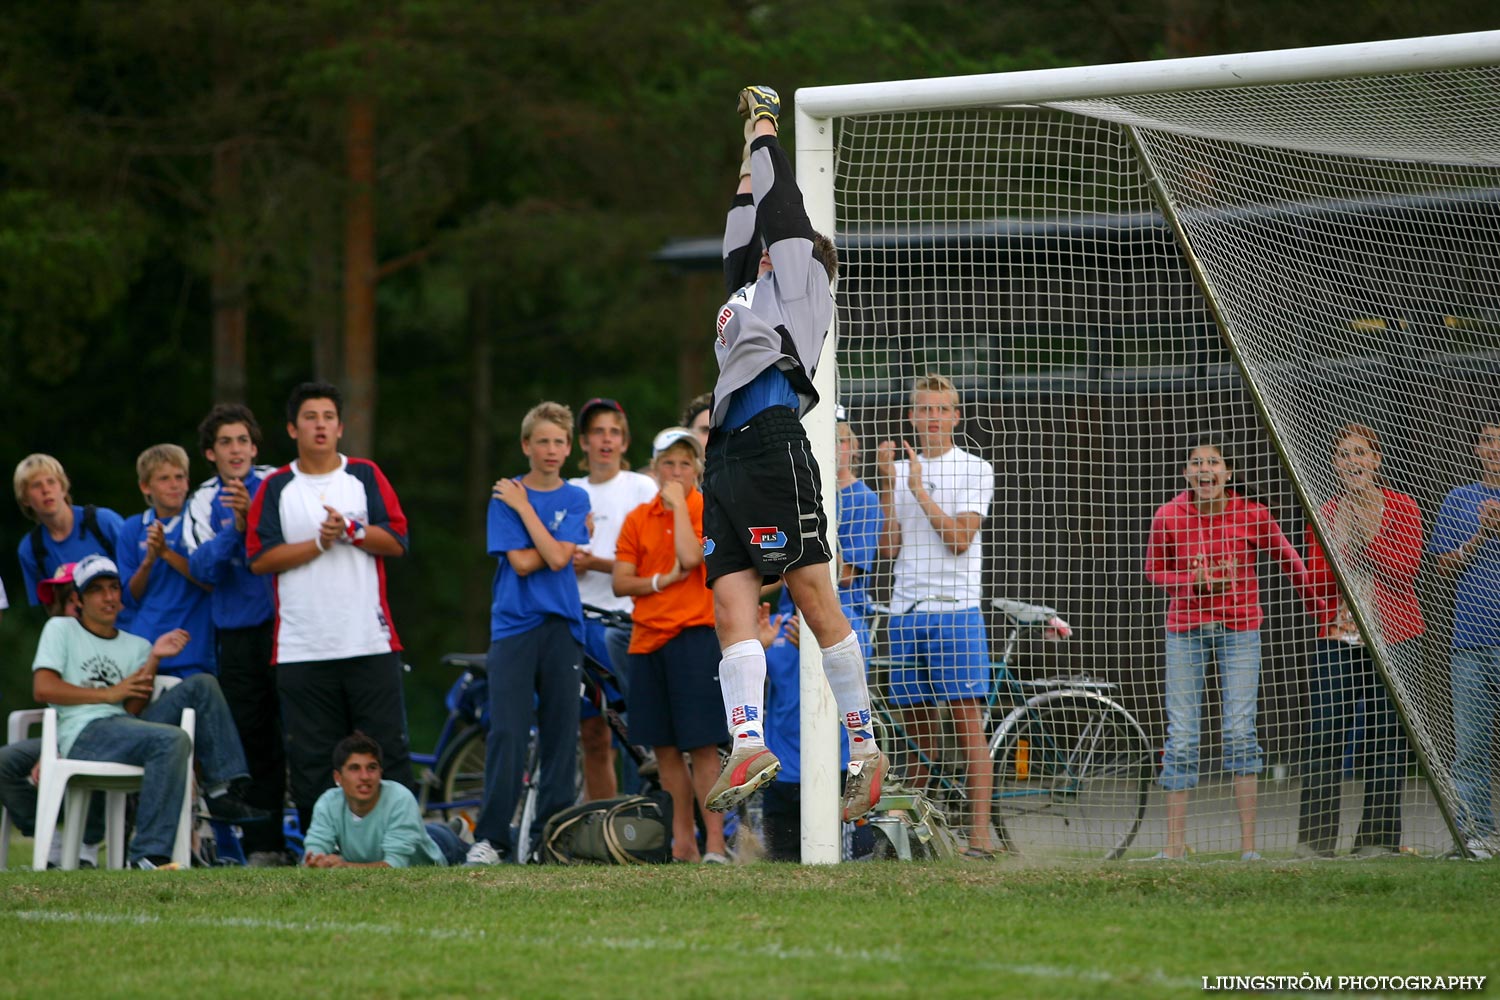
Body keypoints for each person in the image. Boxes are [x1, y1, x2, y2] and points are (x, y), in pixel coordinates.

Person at [700, 85, 885, 823]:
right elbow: (743, 222)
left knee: (812, 598)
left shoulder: (805, 279)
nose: (768, 251)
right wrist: (746, 149)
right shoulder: (751, 289)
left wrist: (765, 119)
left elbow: (778, 210)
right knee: (727, 606)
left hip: (776, 442)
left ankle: (866, 750)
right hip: (727, 456)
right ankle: (746, 742)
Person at [247, 381, 414, 836]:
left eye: (327, 418)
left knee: (387, 751)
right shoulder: (277, 486)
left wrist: (353, 531)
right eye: (309, 417)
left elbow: (397, 540)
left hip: (368, 639)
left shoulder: (364, 476)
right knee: (313, 758)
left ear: (340, 427)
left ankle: (400, 846)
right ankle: (320, 848)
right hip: (302, 647)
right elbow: (260, 558)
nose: (319, 426)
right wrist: (318, 543)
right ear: (292, 428)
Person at [1144, 438, 1322, 861]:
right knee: (1183, 737)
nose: (1204, 469)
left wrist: (1322, 606)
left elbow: (1291, 560)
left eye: (1213, 462)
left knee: (1240, 732)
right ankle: (1173, 849)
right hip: (1185, 631)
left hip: (1240, 629)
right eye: (1195, 463)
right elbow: (1153, 570)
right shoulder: (1169, 515)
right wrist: (1192, 583)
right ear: (1186, 474)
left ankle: (1248, 850)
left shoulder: (1252, 514)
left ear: (1228, 473)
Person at [31, 554, 266, 869]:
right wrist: (109, 693)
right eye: (97, 590)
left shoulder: (137, 645)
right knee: (172, 740)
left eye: (114, 588)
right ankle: (148, 855)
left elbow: (132, 710)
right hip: (83, 734)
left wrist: (154, 658)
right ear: (78, 598)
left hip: (123, 726)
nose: (109, 597)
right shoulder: (61, 629)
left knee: (202, 684)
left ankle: (222, 789)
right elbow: (43, 687)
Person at [873, 373, 998, 855]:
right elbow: (887, 549)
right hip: (907, 611)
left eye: (942, 409)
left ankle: (981, 837)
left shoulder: (975, 469)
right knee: (917, 732)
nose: (932, 418)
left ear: (956, 416)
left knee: (968, 725)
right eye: (924, 409)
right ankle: (918, 838)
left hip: (956, 610)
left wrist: (919, 490)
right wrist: (890, 487)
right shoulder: (901, 471)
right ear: (911, 416)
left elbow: (959, 539)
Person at [466, 401, 591, 866]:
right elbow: (524, 562)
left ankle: (548, 840)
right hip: (515, 628)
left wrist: (527, 511)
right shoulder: (504, 496)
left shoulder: (575, 498)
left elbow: (559, 561)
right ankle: (493, 839)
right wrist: (548, 535)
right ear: (526, 445)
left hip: (562, 628)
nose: (552, 450)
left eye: (560, 441)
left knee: (562, 735)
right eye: (543, 441)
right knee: (509, 734)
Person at [1297, 424, 1423, 858]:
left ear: (1376, 460)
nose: (1353, 462)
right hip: (1339, 638)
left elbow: (1404, 571)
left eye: (1360, 454)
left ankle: (1377, 840)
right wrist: (1339, 540)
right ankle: (1315, 842)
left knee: (1385, 738)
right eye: (1344, 455)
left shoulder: (1404, 507)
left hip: (1394, 638)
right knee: (1324, 735)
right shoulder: (1326, 511)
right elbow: (1313, 582)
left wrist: (1363, 539)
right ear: (1336, 465)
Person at [761, 415, 884, 860]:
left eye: (842, 441)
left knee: (836, 717)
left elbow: (849, 573)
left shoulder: (862, 500)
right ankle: (776, 817)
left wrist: (809, 608)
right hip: (790, 618)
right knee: (785, 709)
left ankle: (850, 825)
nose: (834, 448)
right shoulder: (791, 493)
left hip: (835, 618)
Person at [613, 427, 728, 862]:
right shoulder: (637, 518)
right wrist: (658, 581)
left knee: (702, 746)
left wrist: (680, 505)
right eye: (668, 463)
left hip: (695, 638)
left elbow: (691, 557)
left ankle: (715, 844)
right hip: (647, 642)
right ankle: (683, 843)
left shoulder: (706, 508)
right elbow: (621, 581)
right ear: (655, 468)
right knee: (663, 749)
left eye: (685, 463)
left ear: (698, 469)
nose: (676, 471)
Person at [183, 403, 288, 864]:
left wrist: (252, 528)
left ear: (255, 446)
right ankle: (266, 847)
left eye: (243, 440)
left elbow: (292, 545)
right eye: (225, 442)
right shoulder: (204, 499)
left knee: (302, 733)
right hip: (239, 635)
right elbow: (201, 566)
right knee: (254, 738)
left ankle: (320, 842)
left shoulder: (278, 482)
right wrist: (240, 530)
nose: (236, 449)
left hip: (291, 627)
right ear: (210, 453)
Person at [567, 397, 657, 800]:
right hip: (576, 620)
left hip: (626, 622)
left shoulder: (641, 487)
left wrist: (597, 563)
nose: (606, 440)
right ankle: (605, 822)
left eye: (614, 432)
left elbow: (655, 561)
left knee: (640, 731)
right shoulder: (570, 490)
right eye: (598, 432)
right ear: (583, 442)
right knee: (592, 733)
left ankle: (654, 817)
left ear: (625, 442)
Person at [0, 562, 107, 867]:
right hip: (60, 735)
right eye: (62, 598)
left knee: (93, 751)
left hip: (100, 734)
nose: (64, 606)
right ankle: (55, 843)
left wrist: (58, 747)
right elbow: (49, 699)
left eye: (72, 597)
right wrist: (52, 746)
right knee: (4, 764)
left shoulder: (110, 639)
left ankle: (86, 846)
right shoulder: (56, 638)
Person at [1431, 418, 1500, 860]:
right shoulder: (1459, 499)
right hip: (1471, 643)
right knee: (1471, 749)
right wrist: (1481, 534)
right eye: (1489, 441)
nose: (1494, 449)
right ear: (1477, 449)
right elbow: (1442, 567)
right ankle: (1477, 837)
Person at [117, 444, 215, 679]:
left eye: (180, 477)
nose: (175, 485)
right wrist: (149, 561)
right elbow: (129, 597)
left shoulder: (200, 521)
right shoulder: (133, 528)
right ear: (145, 486)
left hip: (193, 648)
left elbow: (211, 581)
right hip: (144, 646)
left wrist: (167, 554)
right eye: (164, 478)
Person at [302, 731, 465, 868]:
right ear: (338, 777)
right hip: (407, 836)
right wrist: (317, 862)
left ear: (380, 772)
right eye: (354, 769)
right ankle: (448, 828)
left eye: (371, 768)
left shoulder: (400, 798)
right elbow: (313, 852)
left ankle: (455, 832)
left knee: (469, 854)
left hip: (442, 849)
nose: (365, 777)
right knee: (421, 833)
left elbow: (394, 866)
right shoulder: (328, 802)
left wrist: (344, 866)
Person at [13, 454, 126, 615]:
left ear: (63, 487)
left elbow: (139, 570)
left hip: (128, 624)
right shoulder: (30, 548)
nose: (46, 490)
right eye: (36, 485)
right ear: (25, 499)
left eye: (51, 482)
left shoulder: (103, 521)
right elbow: (50, 607)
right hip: (78, 634)